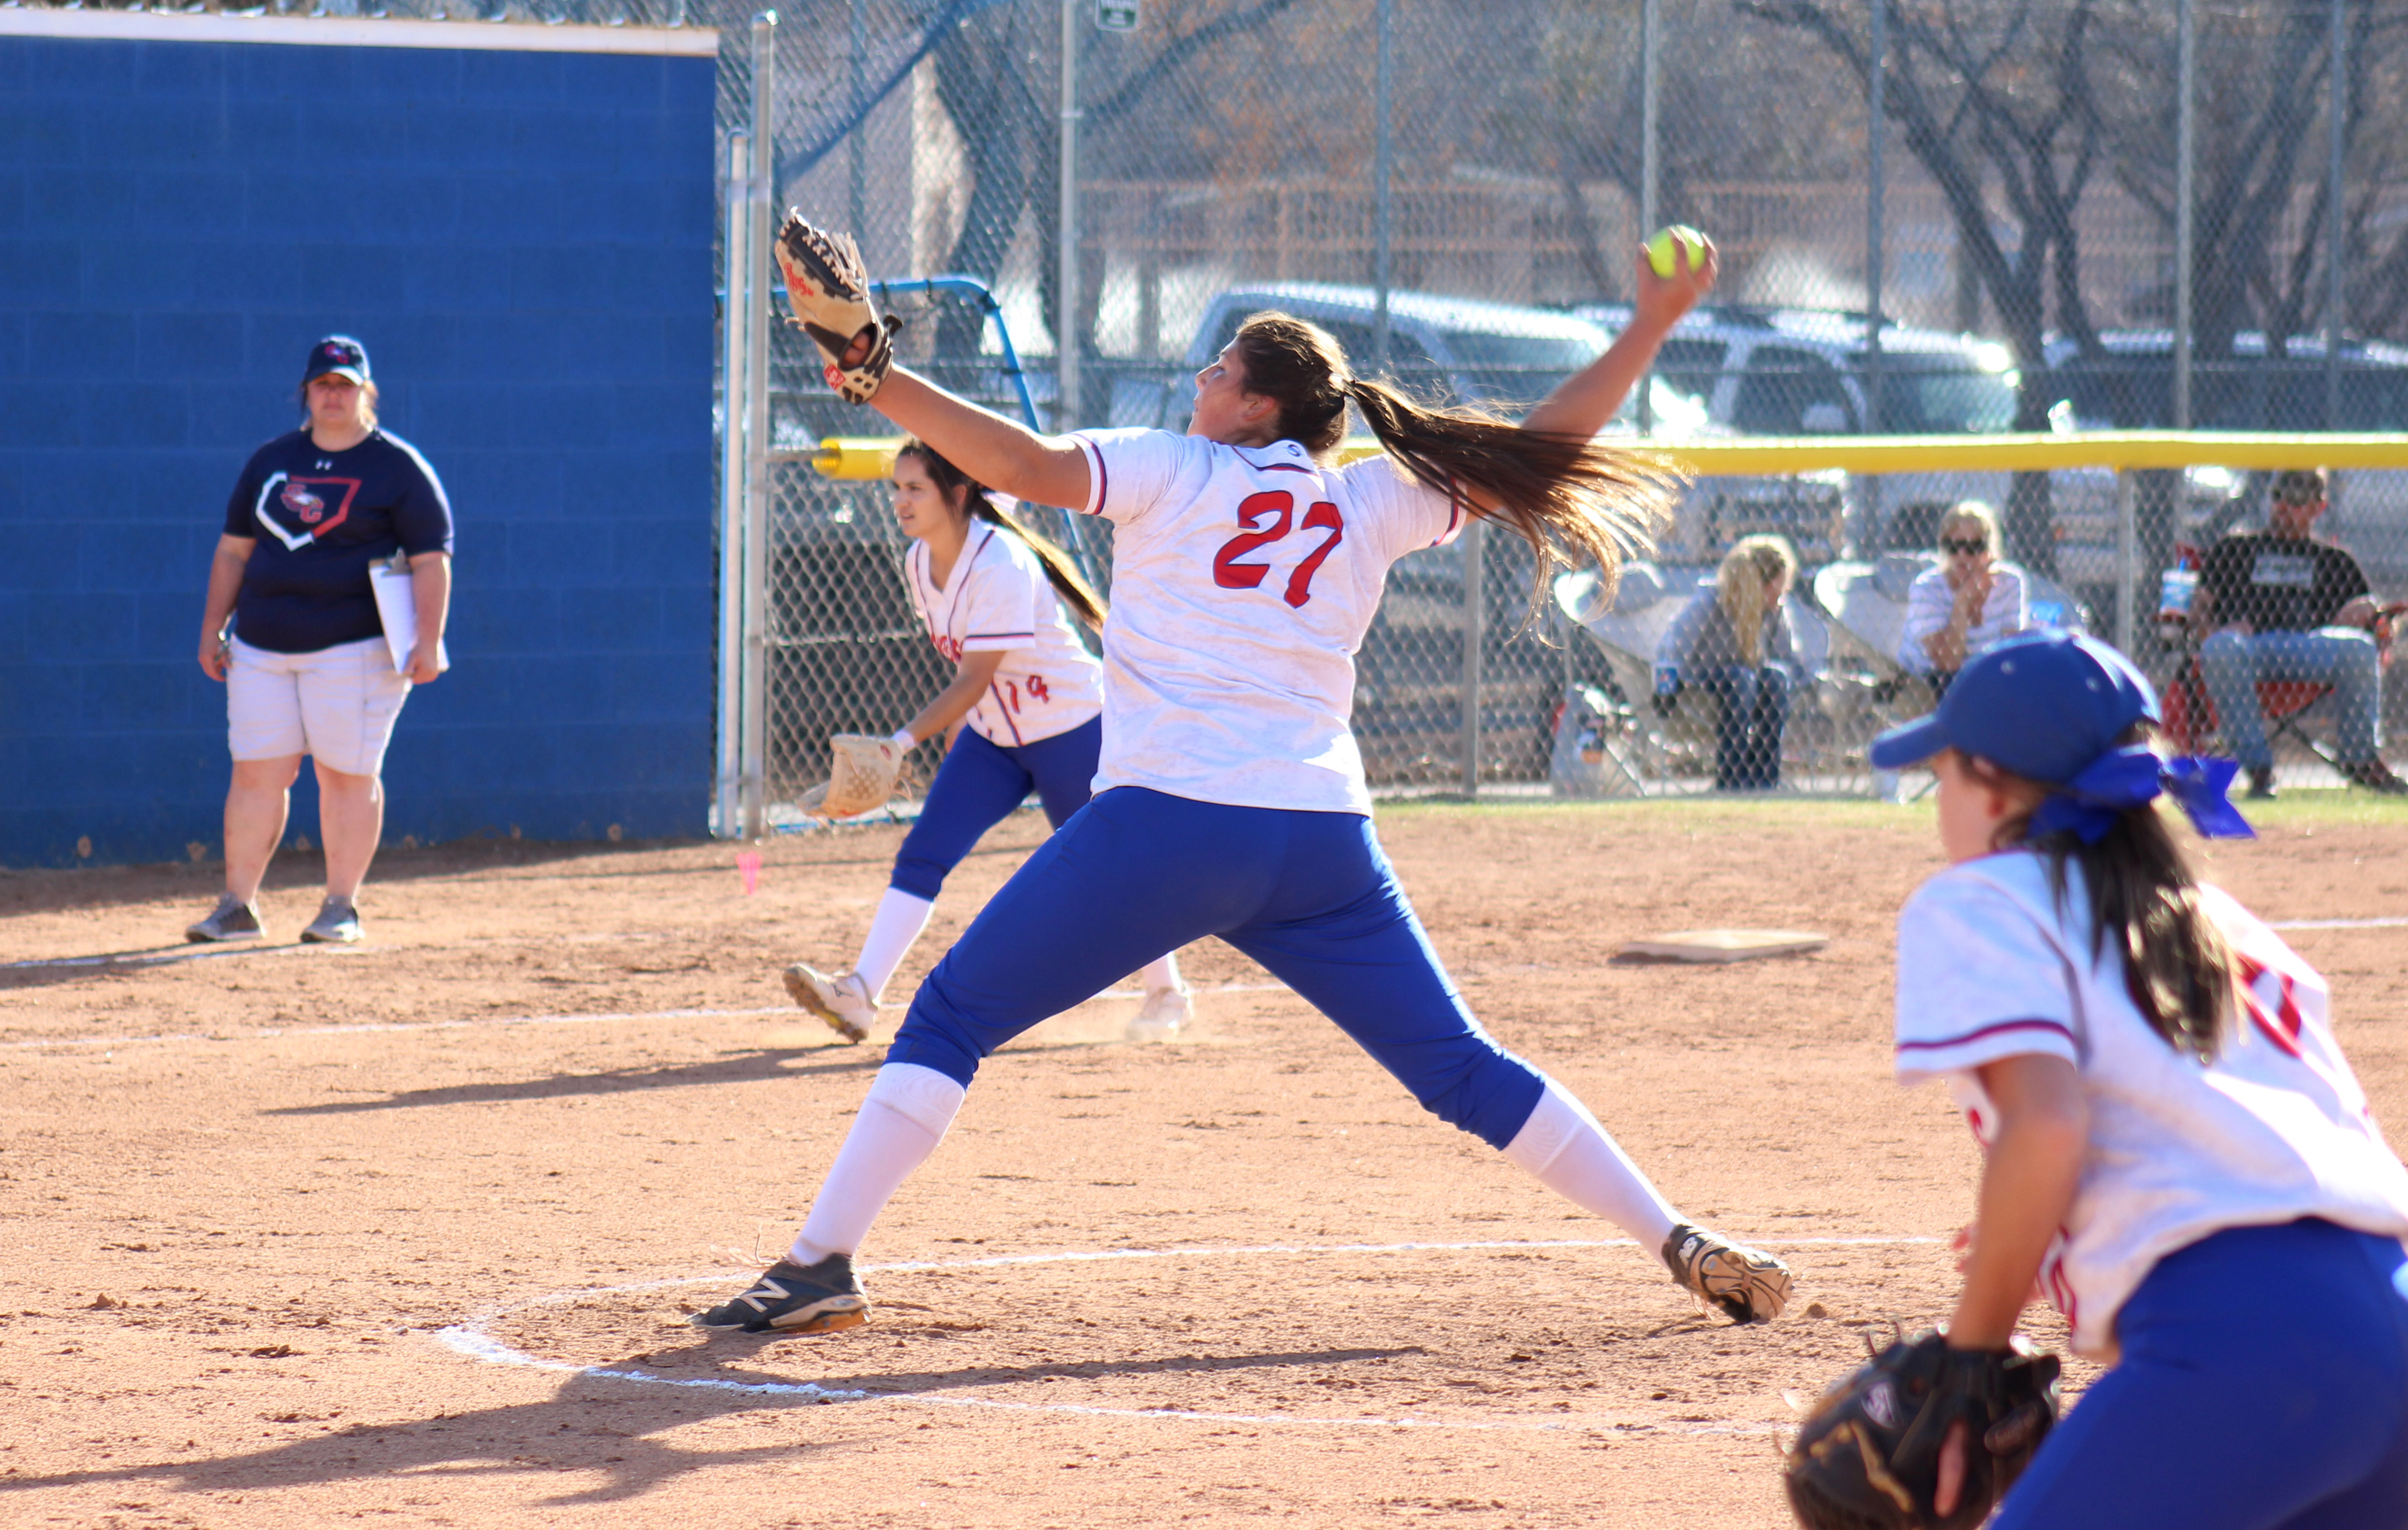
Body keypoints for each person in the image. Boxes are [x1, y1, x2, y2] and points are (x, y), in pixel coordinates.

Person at [687, 219, 1793, 1336]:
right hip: (1321, 841)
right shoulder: (1367, 496)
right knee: (1459, 1066)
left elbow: (1017, 467)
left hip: (1171, 827)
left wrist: (875, 371)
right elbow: (1540, 447)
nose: (1199, 383)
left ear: (1258, 406)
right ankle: (1676, 1235)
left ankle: (823, 1259)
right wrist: (1650, 327)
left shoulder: (1179, 468)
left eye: (1217, 373)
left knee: (950, 1015)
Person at [1867, 631, 2408, 1529]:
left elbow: (2043, 1129)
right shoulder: (2211, 918)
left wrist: (1968, 1359)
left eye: (1943, 774)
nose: (1938, 804)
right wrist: (2052, 1228)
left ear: (1992, 786)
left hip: (2245, 1341)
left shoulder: (1980, 895)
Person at [782, 440, 1190, 1044]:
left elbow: (976, 676)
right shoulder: (921, 562)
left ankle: (1168, 992)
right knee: (924, 852)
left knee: (1109, 870)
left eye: (914, 487)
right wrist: (950, 736)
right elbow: (968, 672)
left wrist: (899, 743)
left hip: (1070, 730)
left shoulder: (1000, 561)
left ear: (960, 492)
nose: (899, 500)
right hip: (993, 739)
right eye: (896, 487)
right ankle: (861, 994)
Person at [189, 336, 453, 945]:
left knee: (346, 775)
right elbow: (234, 550)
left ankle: (340, 906)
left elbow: (432, 559)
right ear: (306, 392)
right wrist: (212, 627)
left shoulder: (398, 467)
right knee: (256, 773)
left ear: (366, 394)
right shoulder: (271, 460)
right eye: (323, 385)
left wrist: (428, 640)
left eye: (345, 385)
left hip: (355, 648)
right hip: (261, 645)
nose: (333, 395)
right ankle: (237, 906)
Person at [2193, 467, 2404, 798]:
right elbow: (2199, 607)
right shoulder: (2235, 548)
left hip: (2311, 647)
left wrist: (2377, 621)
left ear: (2319, 507)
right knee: (2221, 649)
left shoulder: (2335, 559)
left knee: (2359, 648)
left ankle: (2361, 759)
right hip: (2248, 649)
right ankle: (2259, 771)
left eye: (2296, 500)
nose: (2283, 507)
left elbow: (2377, 620)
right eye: (2278, 497)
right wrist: (2215, 632)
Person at [1652, 534, 1801, 791]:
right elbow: (1673, 648)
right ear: (1759, 586)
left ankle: (1765, 778)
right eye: (1778, 586)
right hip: (1701, 688)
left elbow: (1786, 659)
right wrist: (1666, 687)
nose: (1782, 593)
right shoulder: (1711, 603)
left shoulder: (1773, 611)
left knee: (1775, 677)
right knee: (1739, 677)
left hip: (1750, 686)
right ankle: (1733, 778)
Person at [1897, 499, 2027, 690]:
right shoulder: (1926, 588)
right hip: (1926, 684)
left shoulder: (2009, 583)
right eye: (1953, 546)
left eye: (1974, 547)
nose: (1962, 556)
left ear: (1988, 550)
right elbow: (1948, 663)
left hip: (1986, 680)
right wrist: (1963, 602)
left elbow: (2011, 654)